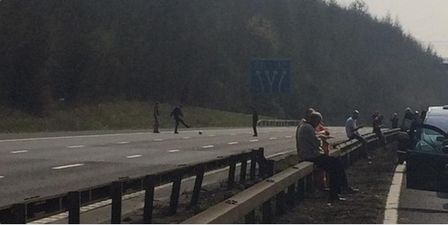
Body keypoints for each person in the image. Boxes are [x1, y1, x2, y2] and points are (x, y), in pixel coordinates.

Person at [297, 111, 358, 203]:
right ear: (314, 120)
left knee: (336, 163)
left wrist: (319, 137)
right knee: (335, 166)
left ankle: (341, 189)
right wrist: (322, 139)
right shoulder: (308, 128)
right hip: (311, 156)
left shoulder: (305, 126)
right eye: (318, 122)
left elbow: (314, 139)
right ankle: (335, 193)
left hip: (310, 155)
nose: (318, 124)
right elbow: (317, 143)